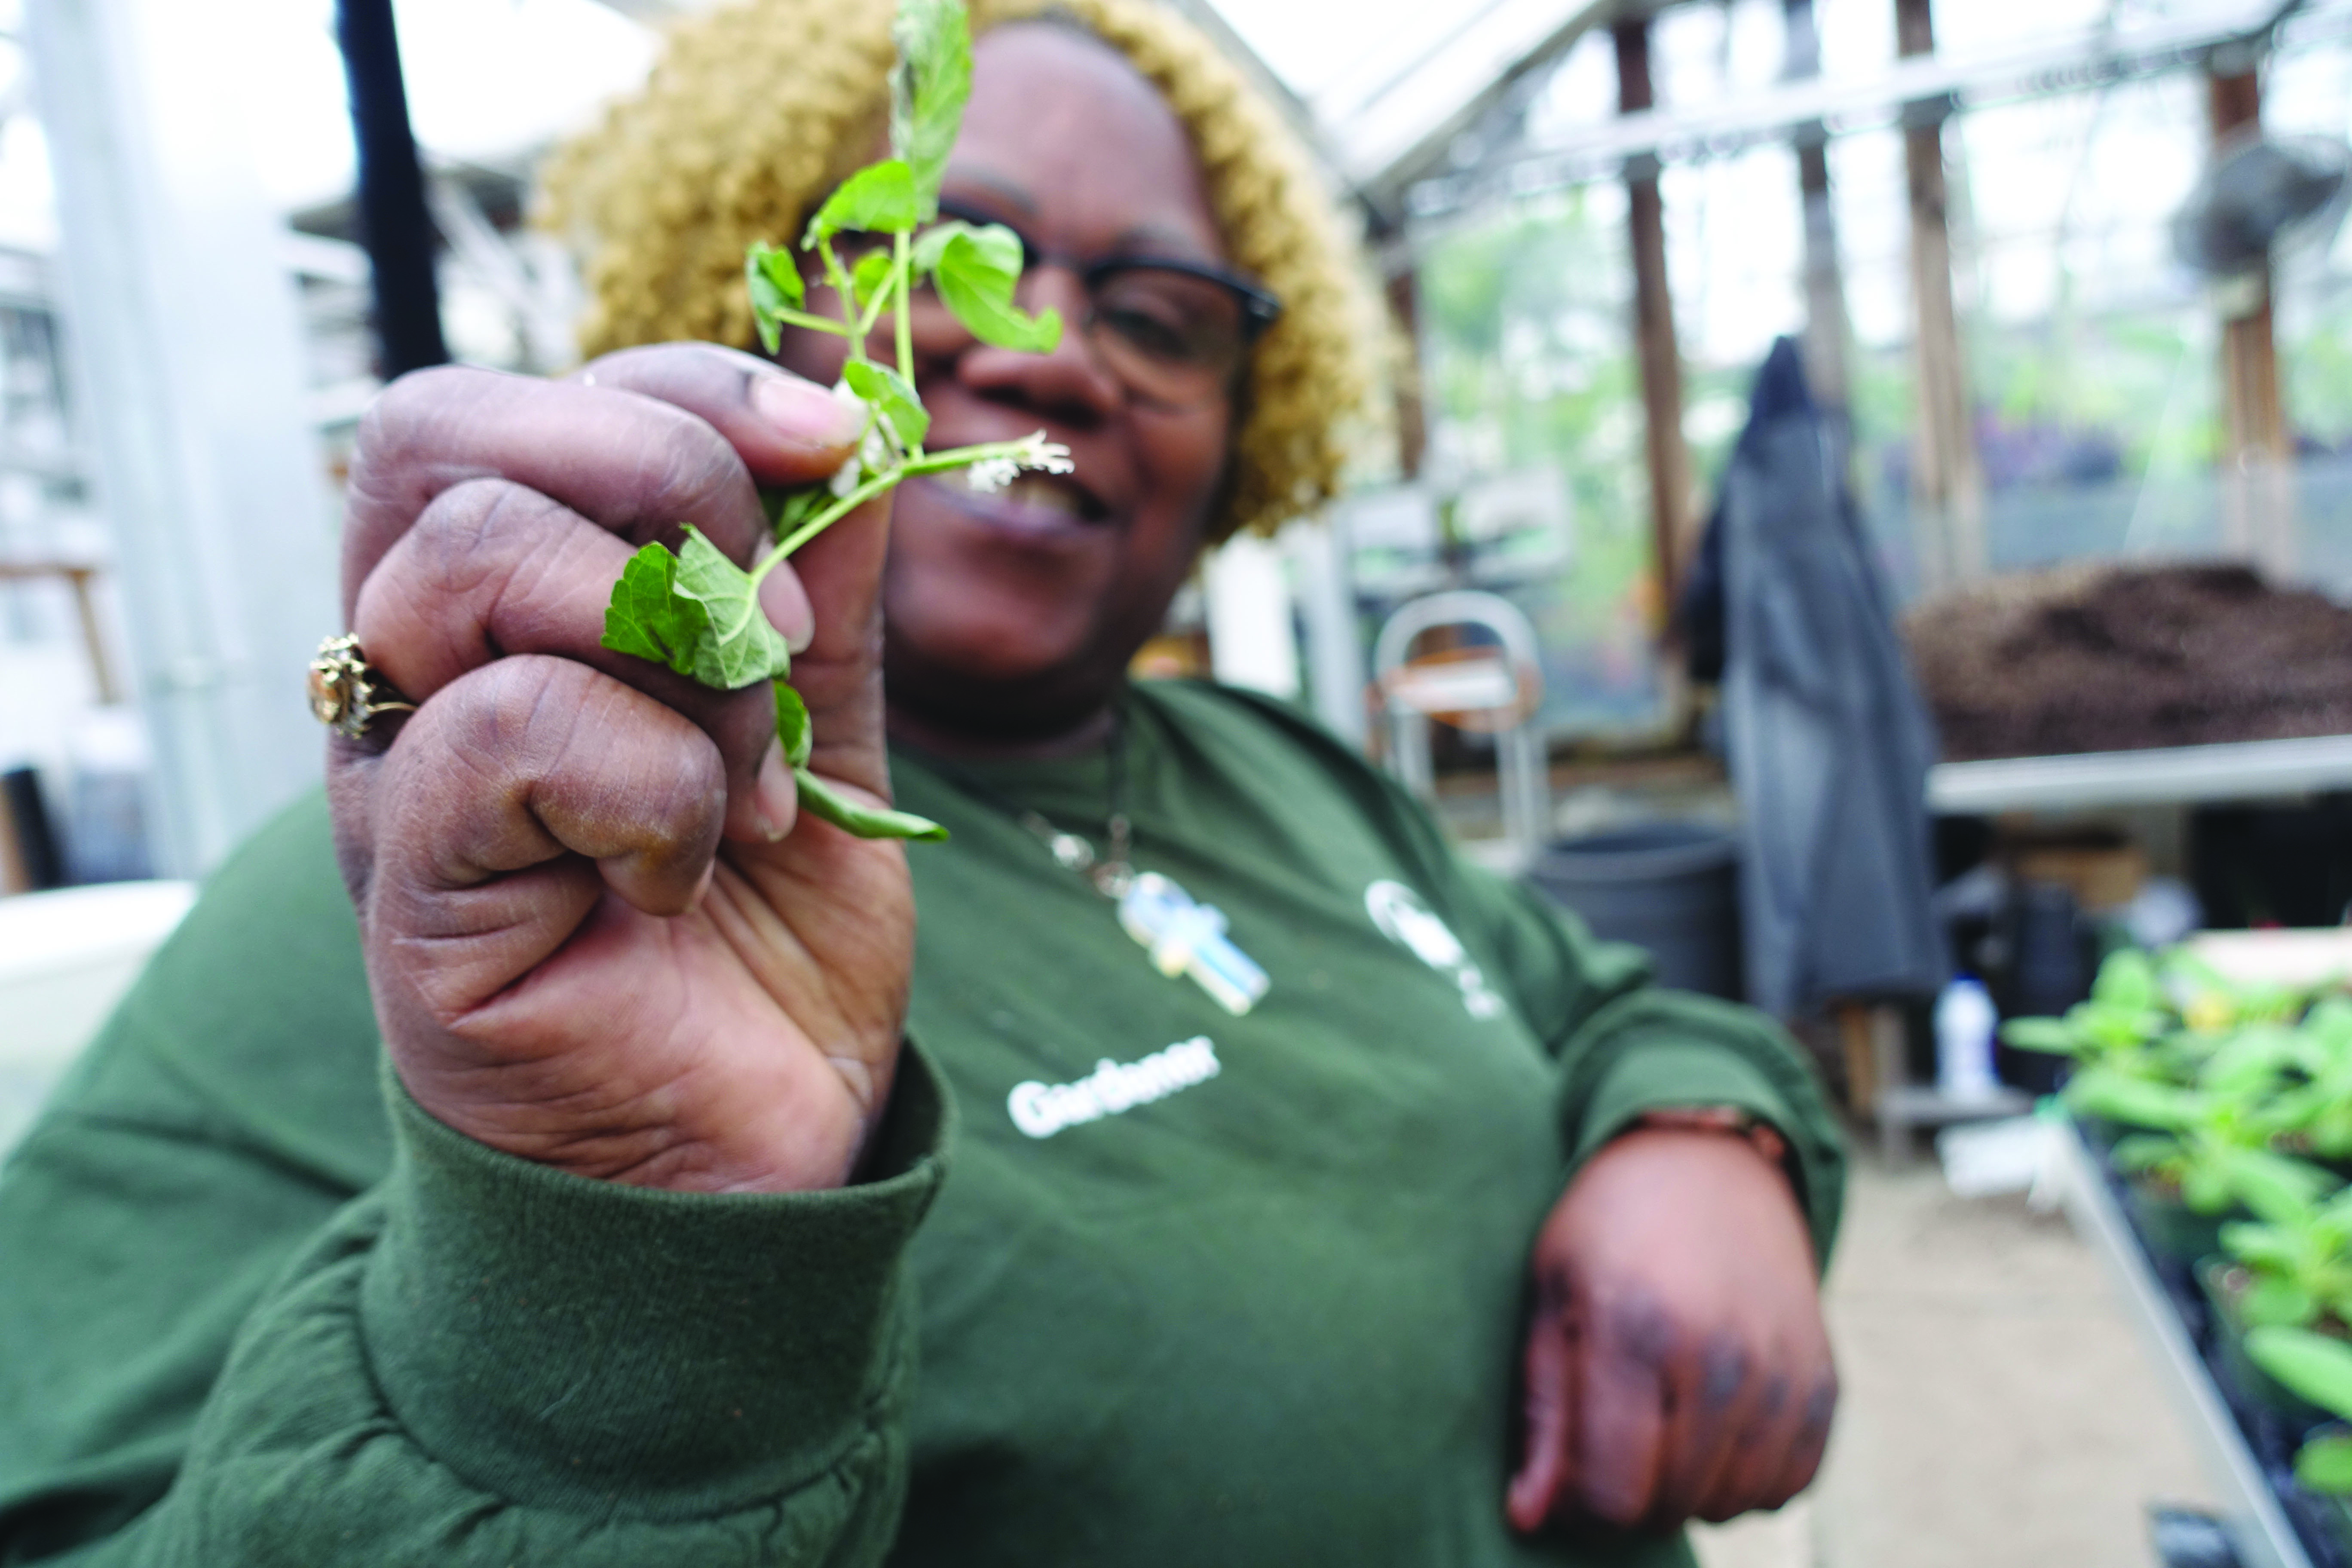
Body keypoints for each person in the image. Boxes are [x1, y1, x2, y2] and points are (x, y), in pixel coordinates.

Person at [0, 1, 1845, 1563]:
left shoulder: (1276, 772)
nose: (1048, 347)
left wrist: (1707, 1134)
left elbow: (1601, 1006)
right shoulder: (480, 907)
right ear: (730, 293)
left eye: (1162, 313)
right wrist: (602, 1309)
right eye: (928, 250)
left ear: (1249, 433)